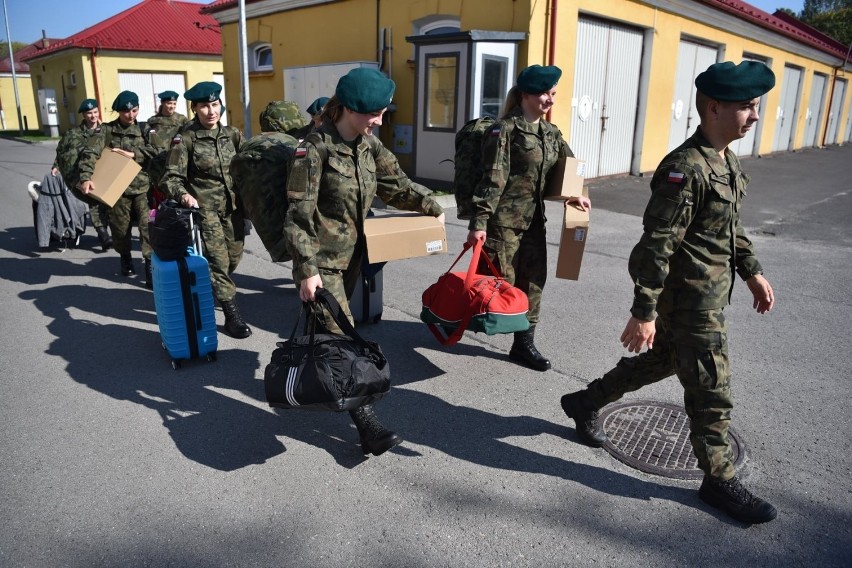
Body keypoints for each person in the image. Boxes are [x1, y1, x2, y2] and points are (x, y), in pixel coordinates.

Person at [560, 61, 778, 525]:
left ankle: (584, 402)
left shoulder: (726, 160)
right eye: (747, 107)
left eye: (755, 106)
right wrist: (644, 311)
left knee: (661, 363)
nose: (754, 116)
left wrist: (753, 271)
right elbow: (655, 247)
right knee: (712, 389)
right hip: (690, 303)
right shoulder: (685, 169)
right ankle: (718, 479)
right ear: (715, 108)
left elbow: (729, 229)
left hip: (711, 295)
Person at [284, 68, 445, 456]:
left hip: (356, 256)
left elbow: (396, 185)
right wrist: (306, 270)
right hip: (323, 264)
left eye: (382, 112)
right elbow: (297, 215)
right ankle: (368, 425)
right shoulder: (314, 148)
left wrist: (432, 206)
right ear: (348, 109)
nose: (379, 120)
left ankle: (317, 384)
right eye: (372, 113)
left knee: (328, 334)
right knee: (343, 341)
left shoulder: (369, 146)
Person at [466, 65, 591, 372]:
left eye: (553, 94)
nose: (550, 100)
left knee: (533, 283)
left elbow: (569, 167)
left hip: (534, 223)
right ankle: (457, 315)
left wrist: (576, 193)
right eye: (544, 93)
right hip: (502, 224)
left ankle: (524, 345)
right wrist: (479, 223)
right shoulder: (504, 131)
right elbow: (492, 179)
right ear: (525, 95)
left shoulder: (550, 133)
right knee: (498, 284)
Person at [160, 81, 251, 339]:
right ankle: (232, 316)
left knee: (233, 258)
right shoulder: (185, 139)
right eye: (204, 106)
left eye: (215, 104)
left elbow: (247, 168)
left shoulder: (232, 134)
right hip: (205, 210)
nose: (211, 111)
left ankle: (218, 288)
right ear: (194, 108)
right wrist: (185, 195)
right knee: (218, 261)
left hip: (232, 209)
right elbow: (171, 177)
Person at [78, 91, 159, 287]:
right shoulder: (106, 131)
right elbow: (90, 153)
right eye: (126, 112)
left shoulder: (146, 129)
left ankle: (150, 267)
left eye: (134, 110)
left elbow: (158, 151)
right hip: (117, 189)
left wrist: (133, 154)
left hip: (142, 188)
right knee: (120, 229)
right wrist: (86, 177)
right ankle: (125, 256)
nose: (131, 115)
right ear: (118, 112)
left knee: (147, 227)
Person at [52, 98, 113, 251]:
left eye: (95, 112)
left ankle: (108, 231)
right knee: (94, 199)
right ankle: (103, 233)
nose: (93, 116)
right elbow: (62, 152)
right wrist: (56, 166)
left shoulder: (107, 131)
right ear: (84, 115)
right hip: (80, 176)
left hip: (105, 172)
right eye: (89, 113)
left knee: (108, 203)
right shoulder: (73, 134)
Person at [147, 90, 190, 205]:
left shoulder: (182, 120)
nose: (172, 106)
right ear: (162, 103)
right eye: (169, 103)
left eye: (174, 103)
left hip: (175, 159)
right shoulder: (153, 121)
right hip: (158, 162)